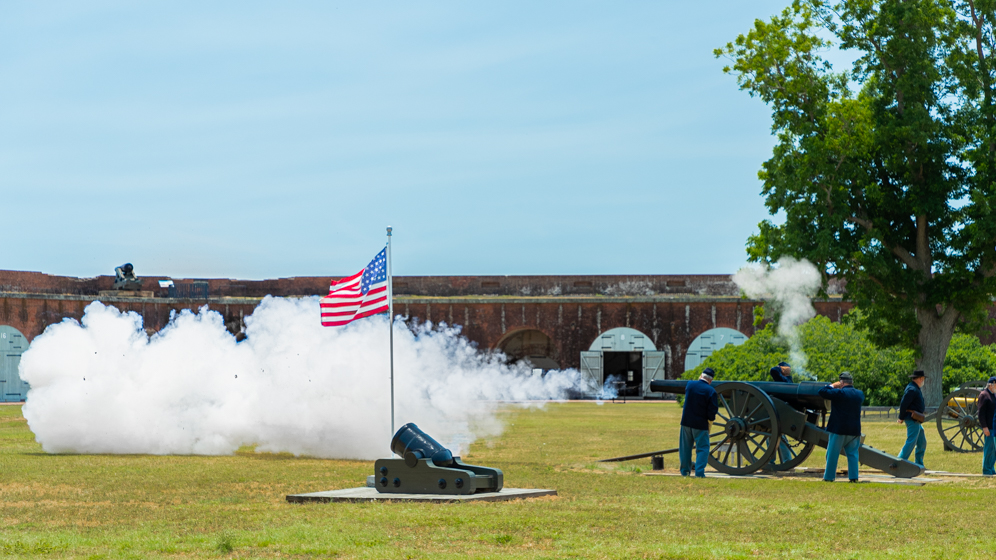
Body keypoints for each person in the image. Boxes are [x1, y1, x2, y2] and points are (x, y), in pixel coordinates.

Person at [818, 372, 864, 482]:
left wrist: (833, 385)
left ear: (841, 382)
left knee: (832, 454)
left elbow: (822, 391)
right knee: (853, 454)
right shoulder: (859, 394)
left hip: (838, 429)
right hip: (854, 430)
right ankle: (853, 477)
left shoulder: (839, 393)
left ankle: (829, 477)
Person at [679, 367, 719, 478]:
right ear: (710, 381)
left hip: (686, 422)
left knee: (685, 448)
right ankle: (699, 473)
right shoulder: (711, 391)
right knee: (703, 448)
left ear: (701, 376)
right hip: (700, 424)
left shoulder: (690, 385)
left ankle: (685, 472)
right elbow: (712, 412)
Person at [897, 370, 927, 468]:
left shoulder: (915, 388)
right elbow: (903, 404)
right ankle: (899, 462)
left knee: (922, 441)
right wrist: (901, 417)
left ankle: (918, 463)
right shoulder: (912, 389)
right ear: (920, 379)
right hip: (912, 418)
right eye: (923, 379)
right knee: (911, 441)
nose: (923, 381)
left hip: (916, 419)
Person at [766, 362, 793, 468]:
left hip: (780, 412)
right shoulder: (786, 379)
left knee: (778, 438)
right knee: (771, 438)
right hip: (779, 411)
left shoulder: (784, 379)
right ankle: (772, 460)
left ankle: (786, 461)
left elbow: (773, 370)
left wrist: (778, 368)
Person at [978, 377, 996, 475]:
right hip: (988, 427)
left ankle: (991, 469)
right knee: (989, 449)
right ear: (991, 385)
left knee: (993, 450)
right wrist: (984, 427)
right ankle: (986, 470)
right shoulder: (984, 395)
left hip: (994, 427)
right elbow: (981, 413)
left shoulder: (993, 395)